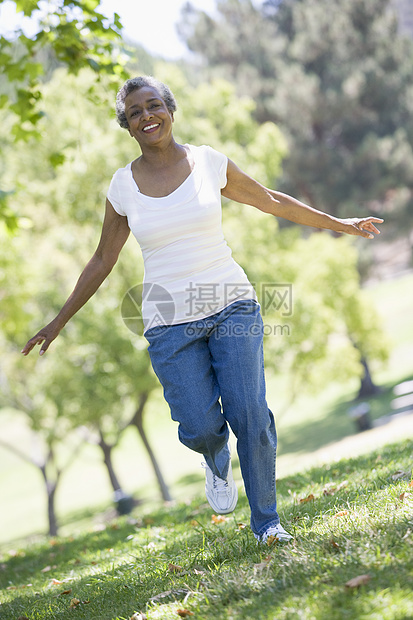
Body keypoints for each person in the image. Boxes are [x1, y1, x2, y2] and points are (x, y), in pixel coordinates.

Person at [22, 76, 383, 543]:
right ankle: (214, 455)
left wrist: (340, 224)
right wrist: (58, 320)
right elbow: (102, 259)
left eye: (154, 105)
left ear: (170, 110)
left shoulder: (209, 162)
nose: (147, 115)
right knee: (197, 422)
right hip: (169, 322)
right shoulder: (123, 186)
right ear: (127, 126)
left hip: (232, 304)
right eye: (136, 112)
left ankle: (267, 523)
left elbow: (270, 200)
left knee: (250, 413)